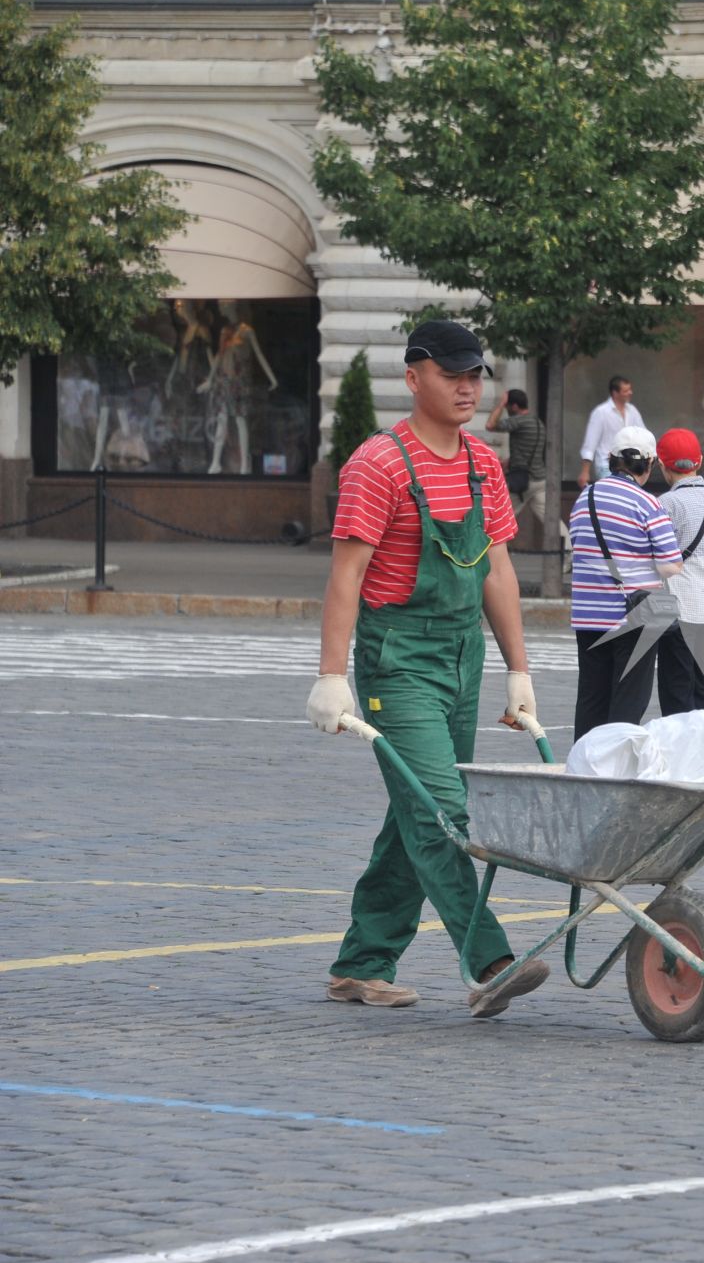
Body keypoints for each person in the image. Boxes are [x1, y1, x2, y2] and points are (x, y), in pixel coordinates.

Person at [304, 319, 548, 1019]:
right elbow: (346, 576)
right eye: (451, 374)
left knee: (414, 811)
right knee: (442, 810)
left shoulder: (481, 463)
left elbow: (498, 568)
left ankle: (362, 962)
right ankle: (491, 960)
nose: (468, 386)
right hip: (398, 658)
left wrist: (518, 670)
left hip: (461, 655)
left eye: (475, 374)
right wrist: (331, 673)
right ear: (414, 378)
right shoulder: (377, 464)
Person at [569, 426, 683, 736]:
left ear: (610, 460)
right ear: (648, 464)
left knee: (591, 698)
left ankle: (585, 767)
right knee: (627, 702)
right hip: (634, 616)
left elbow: (578, 543)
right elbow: (672, 565)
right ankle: (614, 770)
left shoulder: (585, 498)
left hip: (588, 615)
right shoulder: (648, 504)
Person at [656, 427, 704, 712]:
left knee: (676, 693)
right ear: (698, 461)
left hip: (680, 610)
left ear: (663, 466)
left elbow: (659, 558)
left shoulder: (666, 504)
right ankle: (703, 753)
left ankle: (680, 755)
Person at [486, 387, 546, 517]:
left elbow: (490, 425)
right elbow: (528, 449)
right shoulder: (537, 422)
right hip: (540, 479)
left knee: (501, 517)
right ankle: (566, 538)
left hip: (523, 481)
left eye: (507, 407)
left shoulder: (519, 421)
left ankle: (492, 538)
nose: (506, 410)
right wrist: (509, 461)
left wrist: (500, 404)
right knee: (550, 520)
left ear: (514, 406)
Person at [577, 375, 646, 488]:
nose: (630, 392)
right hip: (606, 465)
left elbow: (643, 434)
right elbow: (590, 443)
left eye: (630, 389)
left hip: (629, 465)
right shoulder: (601, 412)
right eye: (626, 390)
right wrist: (585, 471)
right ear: (615, 393)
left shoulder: (632, 411)